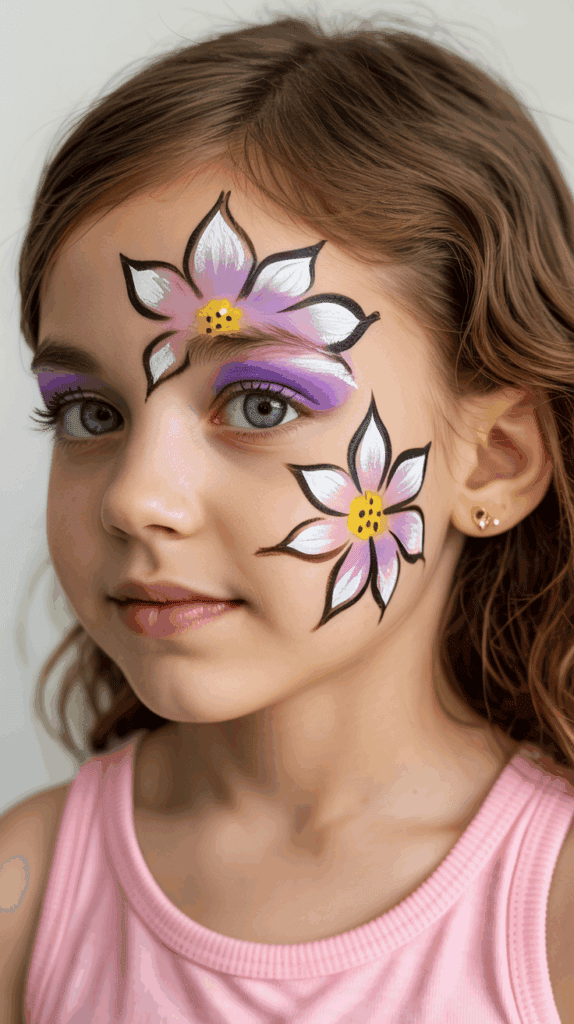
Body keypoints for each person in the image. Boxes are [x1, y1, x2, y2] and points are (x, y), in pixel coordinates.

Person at [2, 12, 574, 1024]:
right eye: (91, 414)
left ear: (493, 458)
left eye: (261, 404)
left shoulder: (554, 913)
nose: (138, 495)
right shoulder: (25, 894)